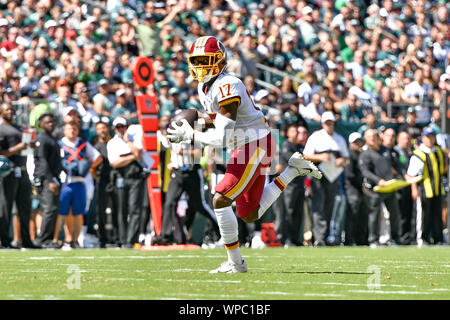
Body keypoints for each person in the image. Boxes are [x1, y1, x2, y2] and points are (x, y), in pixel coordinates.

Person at [167, 36, 321, 273]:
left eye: (205, 61)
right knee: (249, 213)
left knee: (220, 198)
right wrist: (195, 123)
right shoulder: (204, 86)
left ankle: (236, 263)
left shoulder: (228, 84)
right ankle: (292, 171)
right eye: (196, 61)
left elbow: (222, 137)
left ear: (219, 61)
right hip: (246, 144)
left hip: (255, 143)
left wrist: (191, 135)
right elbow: (216, 122)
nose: (199, 67)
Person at [155, 132, 220, 245]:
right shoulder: (171, 135)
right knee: (169, 203)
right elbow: (165, 142)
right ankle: (165, 236)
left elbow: (200, 153)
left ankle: (219, 229)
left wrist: (183, 152)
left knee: (199, 205)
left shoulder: (193, 135)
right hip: (177, 173)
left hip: (192, 173)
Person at [302, 111, 349, 246]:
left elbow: (346, 157)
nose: (329, 125)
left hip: (333, 176)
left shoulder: (339, 139)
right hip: (318, 176)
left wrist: (342, 160)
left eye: (331, 123)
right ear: (323, 123)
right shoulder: (315, 137)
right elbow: (305, 155)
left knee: (329, 206)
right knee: (318, 205)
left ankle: (326, 236)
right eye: (327, 123)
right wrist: (320, 157)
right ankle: (319, 238)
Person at [58, 121, 102, 250]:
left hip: (80, 181)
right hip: (65, 181)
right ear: (64, 130)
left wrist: (87, 167)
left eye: (74, 128)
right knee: (66, 211)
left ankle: (76, 240)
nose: (72, 131)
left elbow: (97, 157)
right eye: (69, 128)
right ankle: (67, 239)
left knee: (78, 212)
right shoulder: (60, 144)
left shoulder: (83, 144)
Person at [0, 102, 37, 248]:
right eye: (5, 109)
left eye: (11, 109)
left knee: (25, 208)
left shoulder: (20, 128)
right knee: (6, 207)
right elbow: (1, 153)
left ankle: (26, 240)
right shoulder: (1, 129)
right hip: (8, 172)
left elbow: (25, 151)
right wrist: (18, 147)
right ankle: (5, 241)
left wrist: (29, 146)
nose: (9, 111)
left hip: (23, 170)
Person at [107, 117, 146, 248]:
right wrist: (132, 156)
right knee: (121, 209)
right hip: (121, 177)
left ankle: (131, 240)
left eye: (122, 127)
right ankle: (123, 239)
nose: (121, 130)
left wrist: (128, 142)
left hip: (135, 177)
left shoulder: (134, 139)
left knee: (135, 209)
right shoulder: (112, 143)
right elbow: (115, 163)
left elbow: (139, 154)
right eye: (118, 127)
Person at [359, 129, 402, 247]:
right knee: (374, 214)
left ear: (379, 137)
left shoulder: (386, 150)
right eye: (370, 136)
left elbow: (396, 166)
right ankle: (373, 239)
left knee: (395, 214)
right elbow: (365, 172)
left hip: (390, 188)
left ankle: (395, 238)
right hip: (375, 189)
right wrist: (378, 181)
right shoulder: (365, 153)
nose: (372, 138)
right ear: (366, 139)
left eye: (374, 136)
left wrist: (402, 176)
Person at [406, 127, 447, 245]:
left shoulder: (438, 151)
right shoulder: (418, 154)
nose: (430, 139)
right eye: (427, 137)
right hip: (424, 190)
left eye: (432, 136)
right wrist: (414, 189)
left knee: (437, 215)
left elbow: (443, 169)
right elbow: (411, 175)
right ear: (422, 138)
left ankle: (438, 239)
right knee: (424, 216)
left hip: (438, 190)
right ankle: (422, 238)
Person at [33, 113, 63, 248]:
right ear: (40, 124)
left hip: (54, 178)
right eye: (47, 122)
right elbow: (42, 160)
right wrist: (50, 180)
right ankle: (42, 240)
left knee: (53, 209)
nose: (50, 124)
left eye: (52, 122)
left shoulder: (52, 138)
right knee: (49, 209)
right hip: (46, 179)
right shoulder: (41, 138)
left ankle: (49, 239)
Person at [276, 123, 307, 247]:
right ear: (288, 133)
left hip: (300, 183)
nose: (296, 133)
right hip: (289, 184)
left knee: (298, 212)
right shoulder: (286, 145)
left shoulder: (300, 147)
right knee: (288, 211)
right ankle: (287, 239)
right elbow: (293, 160)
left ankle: (295, 238)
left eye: (297, 131)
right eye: (293, 131)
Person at [93, 121, 117, 248]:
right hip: (102, 181)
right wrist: (97, 178)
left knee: (117, 209)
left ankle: (117, 237)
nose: (102, 130)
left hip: (115, 179)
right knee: (101, 211)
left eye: (103, 128)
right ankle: (102, 238)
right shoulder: (96, 148)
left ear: (108, 129)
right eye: (99, 128)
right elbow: (92, 167)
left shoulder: (114, 144)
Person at [344, 132, 368, 246]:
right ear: (350, 143)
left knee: (362, 215)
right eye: (355, 142)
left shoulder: (362, 155)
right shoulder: (349, 155)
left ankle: (361, 239)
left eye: (359, 141)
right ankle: (349, 239)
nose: (358, 143)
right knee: (352, 214)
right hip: (352, 190)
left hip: (360, 189)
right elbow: (350, 175)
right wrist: (362, 185)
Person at [394, 130, 415, 244]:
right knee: (400, 213)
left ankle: (407, 237)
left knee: (408, 213)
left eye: (408, 138)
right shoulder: (396, 152)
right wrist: (404, 175)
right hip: (399, 187)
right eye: (404, 138)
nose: (406, 141)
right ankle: (400, 236)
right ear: (398, 139)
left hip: (409, 187)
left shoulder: (410, 153)